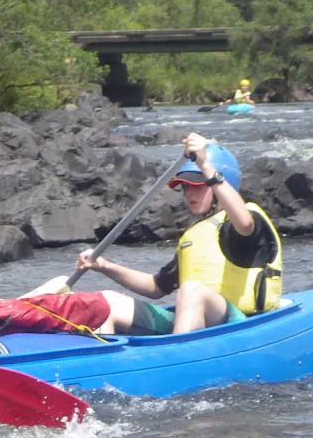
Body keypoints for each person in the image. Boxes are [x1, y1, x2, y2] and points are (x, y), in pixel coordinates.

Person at [75, 134, 282, 335]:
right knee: (106, 301)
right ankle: (103, 360)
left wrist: (206, 167)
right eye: (186, 187)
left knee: (192, 290)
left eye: (198, 185)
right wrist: (104, 266)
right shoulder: (195, 236)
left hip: (240, 323)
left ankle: (176, 357)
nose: (190, 192)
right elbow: (156, 287)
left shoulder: (246, 223)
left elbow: (244, 224)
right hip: (193, 321)